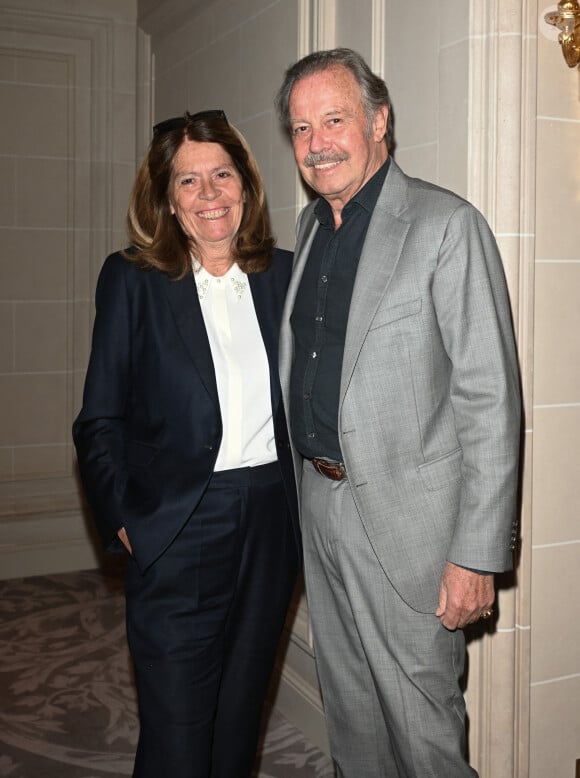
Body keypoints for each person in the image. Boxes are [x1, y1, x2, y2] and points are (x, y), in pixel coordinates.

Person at [275, 48, 521, 777]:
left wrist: (475, 555)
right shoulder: (313, 224)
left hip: (412, 532)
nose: (317, 142)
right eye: (300, 128)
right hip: (321, 509)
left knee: (424, 739)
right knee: (353, 723)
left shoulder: (447, 226)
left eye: (335, 120)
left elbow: (489, 400)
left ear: (380, 121)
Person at [72, 109, 300, 778]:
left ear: (246, 186)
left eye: (222, 175)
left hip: (269, 520)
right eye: (189, 181)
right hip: (176, 524)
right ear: (168, 201)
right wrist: (124, 521)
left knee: (238, 721)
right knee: (177, 731)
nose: (210, 194)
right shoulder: (134, 280)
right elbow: (98, 420)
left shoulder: (284, 275)